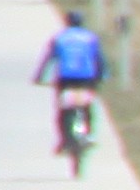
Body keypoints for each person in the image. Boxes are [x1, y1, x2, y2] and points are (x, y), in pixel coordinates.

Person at [31, 10, 106, 160]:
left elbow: (49, 58)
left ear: (67, 22)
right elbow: (99, 58)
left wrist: (39, 76)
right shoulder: (91, 38)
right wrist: (102, 75)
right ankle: (88, 134)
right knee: (86, 107)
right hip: (86, 78)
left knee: (63, 110)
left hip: (66, 78)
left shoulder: (60, 38)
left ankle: (64, 140)